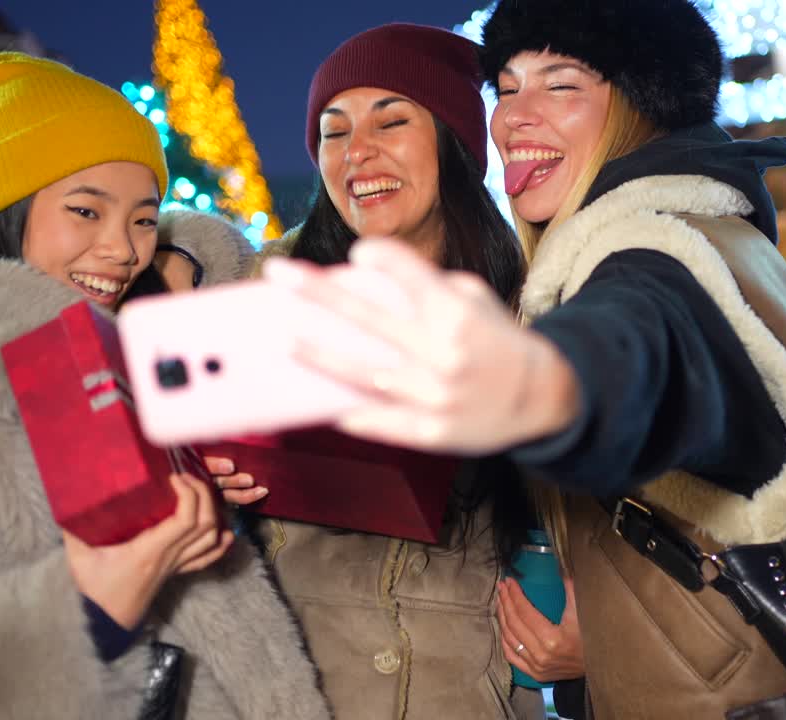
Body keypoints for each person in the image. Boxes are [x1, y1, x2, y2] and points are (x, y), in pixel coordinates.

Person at [258, 2, 786, 718]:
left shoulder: (651, 250)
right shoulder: (684, 227)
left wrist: (534, 383)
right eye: (508, 87)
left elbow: (641, 348)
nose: (518, 117)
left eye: (562, 87)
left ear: (637, 106)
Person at [0, 52, 327, 719]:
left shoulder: (111, 359)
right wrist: (92, 602)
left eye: (143, 219)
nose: (123, 249)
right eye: (86, 212)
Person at [214, 23, 561, 719]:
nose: (357, 154)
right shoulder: (260, 297)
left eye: (391, 121)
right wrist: (216, 483)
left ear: (453, 144)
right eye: (333, 133)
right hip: (305, 696)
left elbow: (587, 525)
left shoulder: (537, 303)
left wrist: (586, 631)